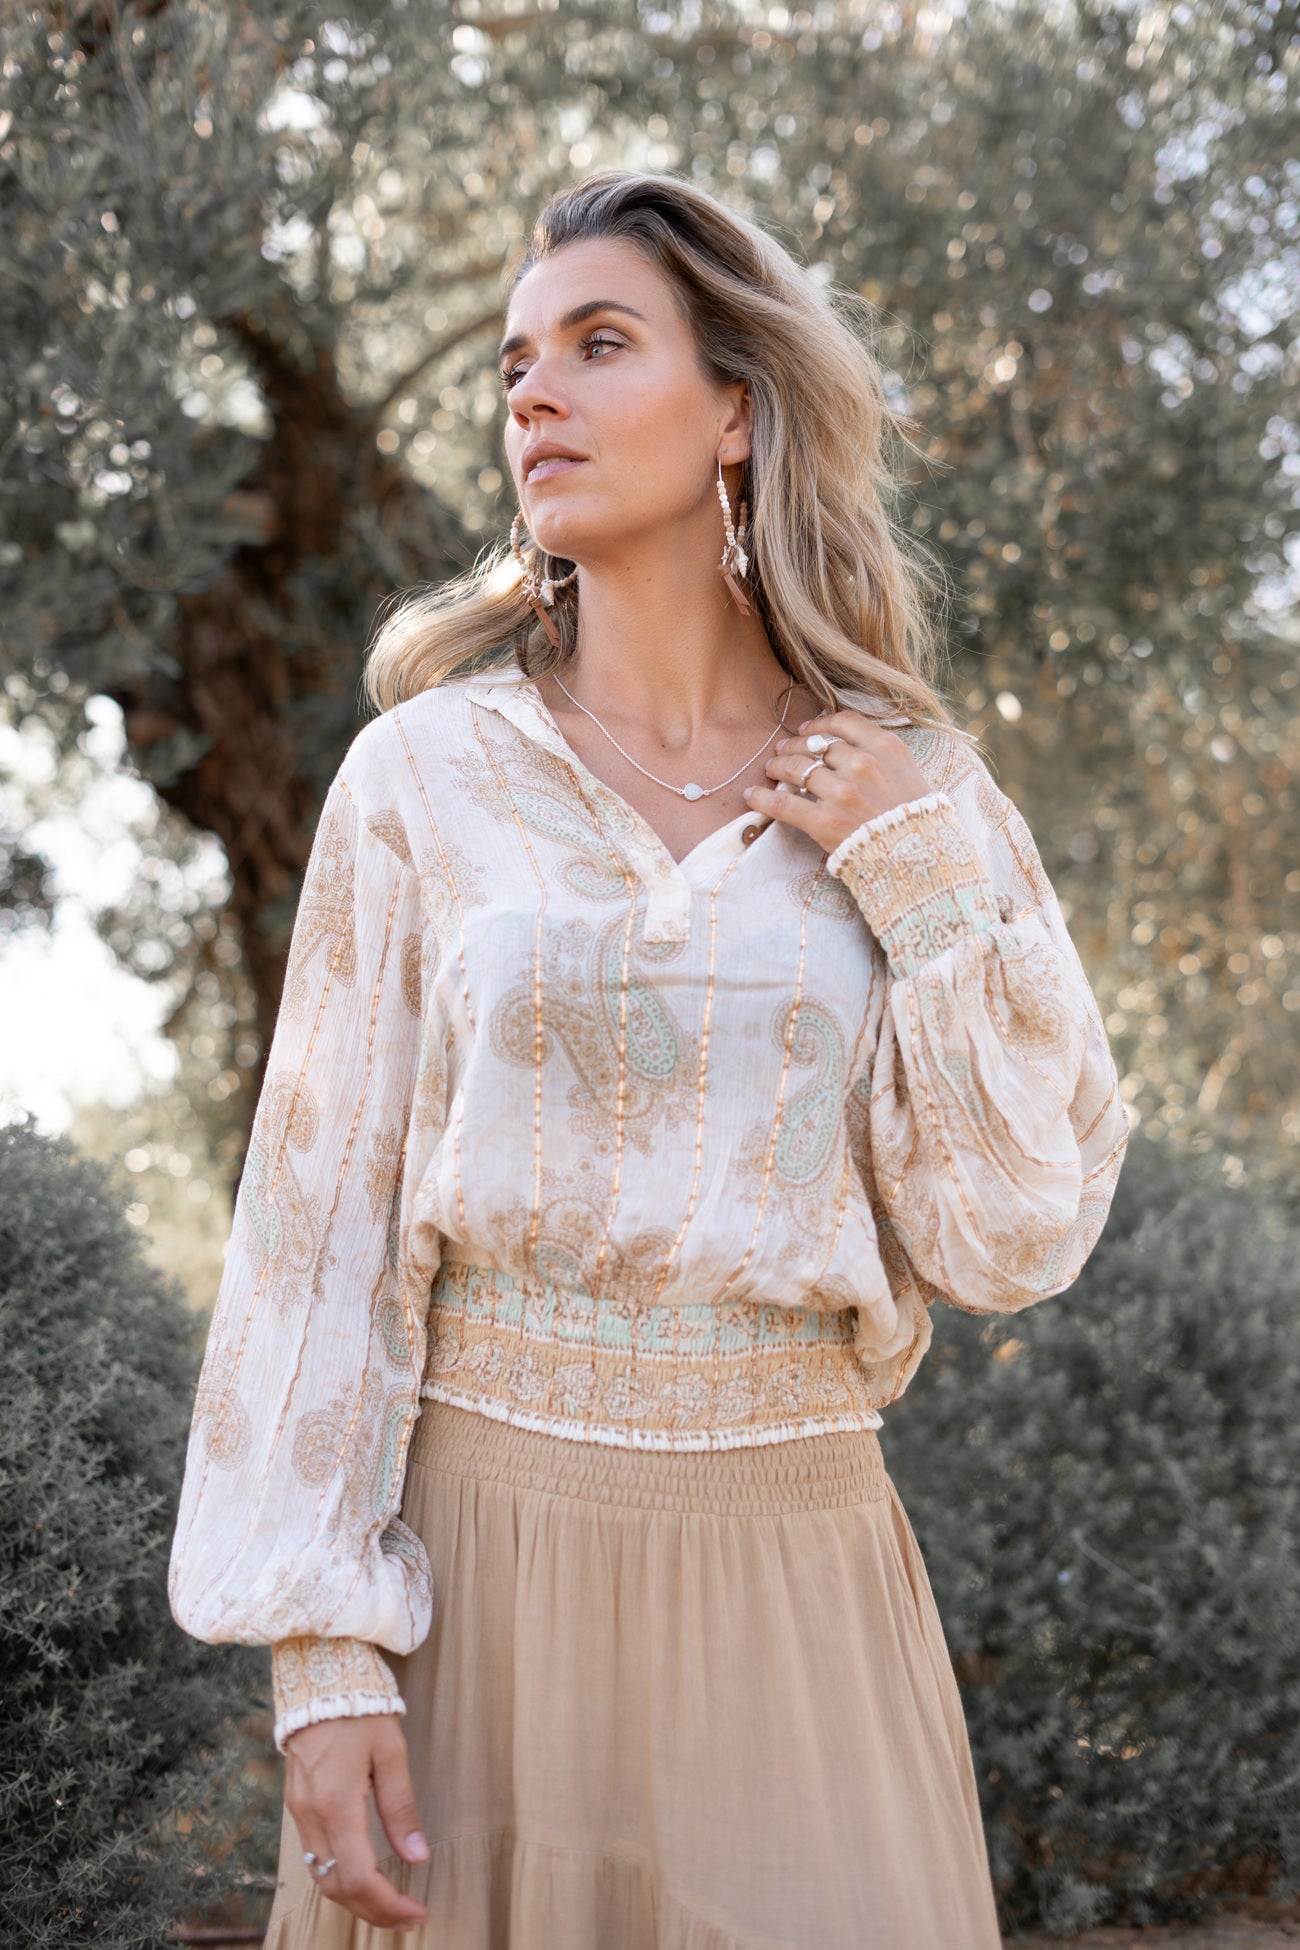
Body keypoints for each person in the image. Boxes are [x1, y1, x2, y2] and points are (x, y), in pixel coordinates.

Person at [169, 168, 1130, 1949]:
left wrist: (914, 873)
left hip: (799, 1570)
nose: (534, 391)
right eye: (516, 361)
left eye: (600, 343)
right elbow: (316, 1227)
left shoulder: (914, 785)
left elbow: (1013, 1230)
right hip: (479, 1573)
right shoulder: (424, 778)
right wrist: (323, 1657)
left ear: (739, 409)